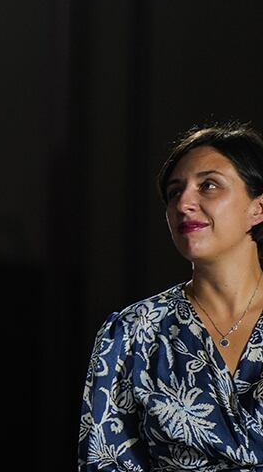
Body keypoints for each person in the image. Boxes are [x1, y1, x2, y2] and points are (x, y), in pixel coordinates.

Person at [79, 123, 263, 470]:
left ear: (258, 208)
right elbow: (106, 460)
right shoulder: (133, 332)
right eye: (175, 192)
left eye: (208, 185)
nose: (184, 203)